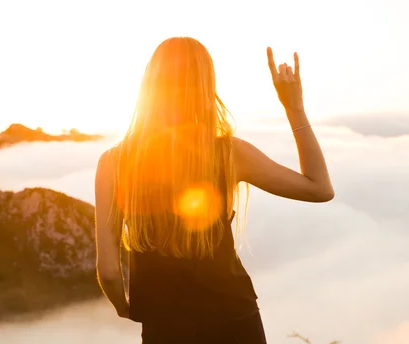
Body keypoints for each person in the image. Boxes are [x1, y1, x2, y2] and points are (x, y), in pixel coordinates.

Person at [94, 37, 334, 343]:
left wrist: (124, 308)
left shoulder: (113, 163)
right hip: (235, 318)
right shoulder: (228, 154)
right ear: (207, 86)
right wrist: (294, 108)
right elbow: (319, 188)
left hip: (163, 324)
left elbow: (110, 272)